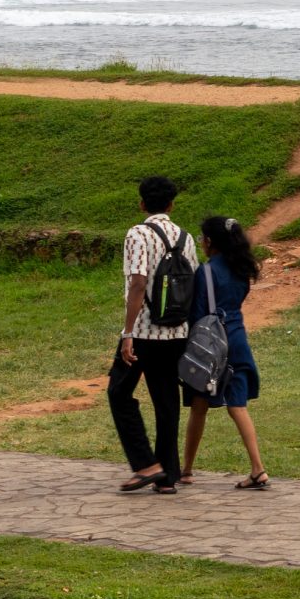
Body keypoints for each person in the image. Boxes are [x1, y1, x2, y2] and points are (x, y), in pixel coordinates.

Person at [108, 176, 192, 495]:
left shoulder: (138, 233)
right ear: (171, 204)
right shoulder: (186, 237)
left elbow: (138, 282)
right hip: (177, 331)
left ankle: (146, 464)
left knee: (119, 392)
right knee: (166, 400)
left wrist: (128, 332)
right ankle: (167, 475)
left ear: (142, 203)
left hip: (144, 331)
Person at [179, 216, 270, 490]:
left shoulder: (205, 272)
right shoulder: (242, 269)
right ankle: (258, 468)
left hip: (210, 344)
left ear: (209, 242)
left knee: (199, 405)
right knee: (237, 405)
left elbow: (198, 314)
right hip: (237, 337)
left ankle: (187, 469)